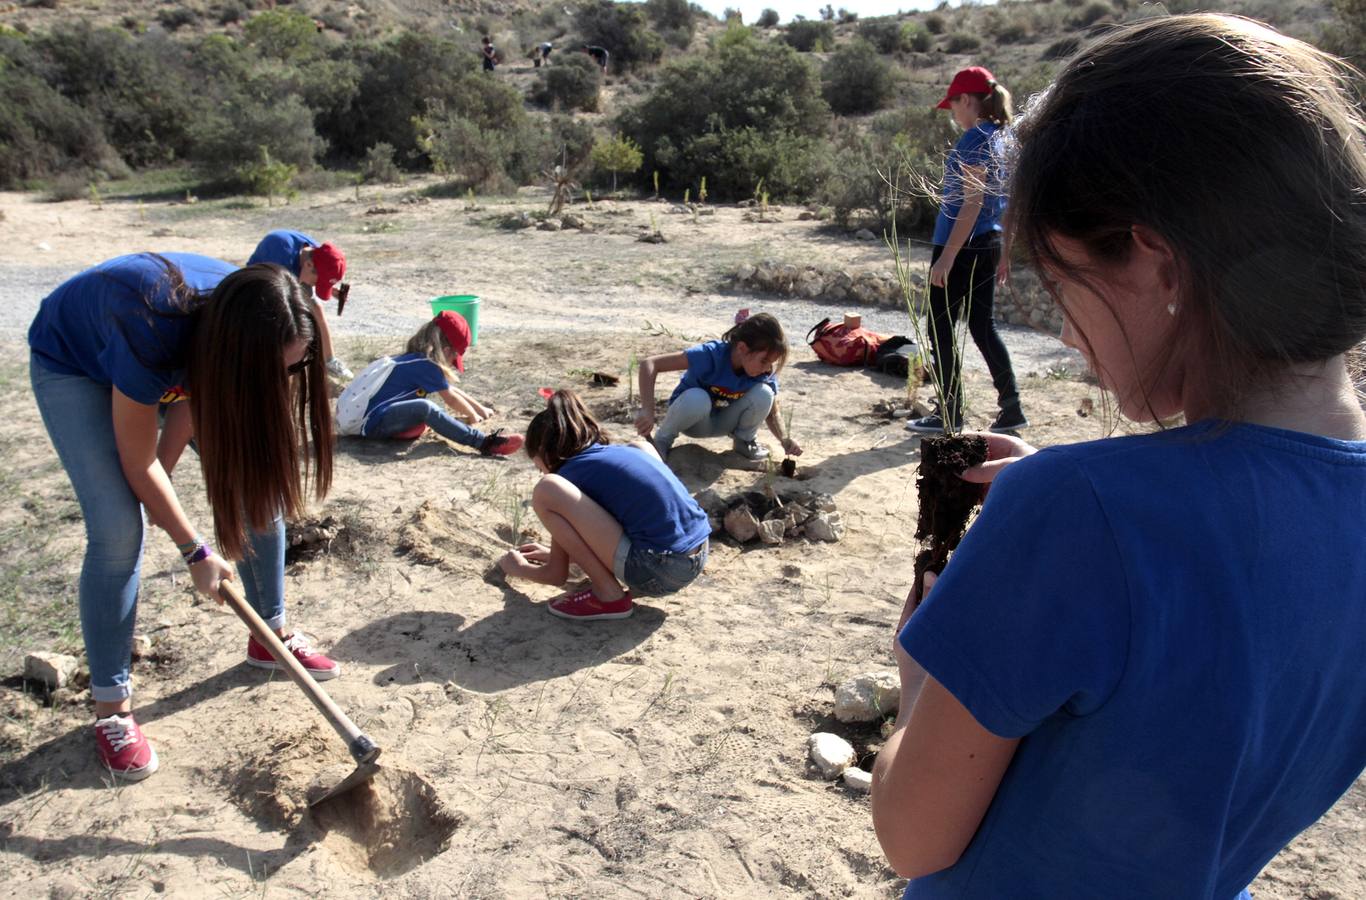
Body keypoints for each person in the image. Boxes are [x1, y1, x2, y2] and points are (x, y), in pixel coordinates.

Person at [872, 15, 1366, 898]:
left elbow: (914, 840)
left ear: (1158, 264)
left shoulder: (1077, 511)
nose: (1067, 331)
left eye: (1064, 282)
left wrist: (917, 668)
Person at [28, 255, 341, 782]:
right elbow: (138, 459)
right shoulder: (150, 325)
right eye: (277, 370)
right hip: (74, 361)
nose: (284, 380)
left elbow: (173, 434)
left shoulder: (259, 309)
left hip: (173, 359)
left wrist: (160, 496)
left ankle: (270, 634)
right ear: (237, 354)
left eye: (293, 367)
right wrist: (193, 548)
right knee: (116, 530)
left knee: (254, 477)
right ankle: (112, 711)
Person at [499, 390, 710, 621]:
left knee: (547, 488)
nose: (541, 471)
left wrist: (519, 568)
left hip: (659, 570)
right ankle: (611, 587)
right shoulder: (610, 457)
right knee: (641, 447)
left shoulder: (564, 477)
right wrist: (559, 555)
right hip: (698, 554)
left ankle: (608, 595)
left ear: (544, 454)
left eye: (539, 466)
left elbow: (555, 575)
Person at [905, 65, 1026, 435]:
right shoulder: (1004, 138)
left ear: (968, 100)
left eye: (954, 104)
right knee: (982, 325)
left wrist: (946, 257)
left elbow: (971, 204)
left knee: (939, 326)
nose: (952, 113)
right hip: (988, 243)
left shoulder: (975, 140)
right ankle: (1011, 407)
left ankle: (949, 411)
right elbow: (1009, 201)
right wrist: (1004, 251)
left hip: (963, 246)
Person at [336, 310, 523, 457]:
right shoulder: (427, 365)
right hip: (371, 423)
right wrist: (473, 418)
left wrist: (481, 409)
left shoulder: (415, 360)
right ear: (447, 350)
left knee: (422, 415)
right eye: (454, 358)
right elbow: (450, 399)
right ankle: (484, 443)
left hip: (372, 419)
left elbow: (451, 389)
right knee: (425, 408)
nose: (452, 364)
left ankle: (406, 432)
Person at [635, 313, 802, 463]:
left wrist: (785, 439)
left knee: (765, 394)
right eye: (764, 361)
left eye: (770, 363)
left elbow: (772, 412)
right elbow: (650, 363)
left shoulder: (762, 371)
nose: (767, 369)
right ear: (742, 348)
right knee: (698, 398)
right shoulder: (711, 354)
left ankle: (745, 442)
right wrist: (647, 410)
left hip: (724, 423)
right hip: (693, 421)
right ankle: (662, 441)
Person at [247, 230, 352, 380]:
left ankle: (329, 361)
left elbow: (313, 276)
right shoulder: (280, 253)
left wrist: (331, 290)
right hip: (260, 283)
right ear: (308, 264)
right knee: (279, 319)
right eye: (317, 282)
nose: (316, 285)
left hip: (291, 275)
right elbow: (277, 291)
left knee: (316, 308)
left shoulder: (318, 254)